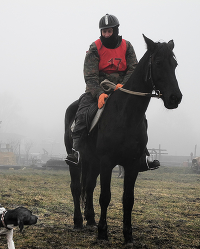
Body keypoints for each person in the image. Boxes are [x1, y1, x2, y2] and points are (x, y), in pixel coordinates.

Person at [65, 14, 160, 171]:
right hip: (97, 89)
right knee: (82, 114)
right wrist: (99, 93)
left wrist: (123, 85)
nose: (107, 35)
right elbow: (90, 75)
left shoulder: (127, 46)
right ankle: (76, 151)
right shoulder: (94, 48)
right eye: (104, 32)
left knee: (139, 116)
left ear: (115, 30)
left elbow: (133, 68)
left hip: (122, 90)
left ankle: (143, 155)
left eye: (109, 31)